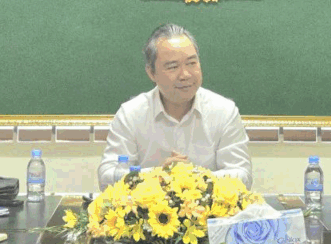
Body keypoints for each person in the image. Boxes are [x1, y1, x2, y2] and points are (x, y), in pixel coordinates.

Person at [97, 24, 251, 189]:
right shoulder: (131, 114)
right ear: (151, 73)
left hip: (210, 205)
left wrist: (194, 177)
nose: (185, 75)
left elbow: (243, 176)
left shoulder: (224, 111)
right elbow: (107, 177)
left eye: (191, 63)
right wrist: (157, 175)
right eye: (173, 67)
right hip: (146, 205)